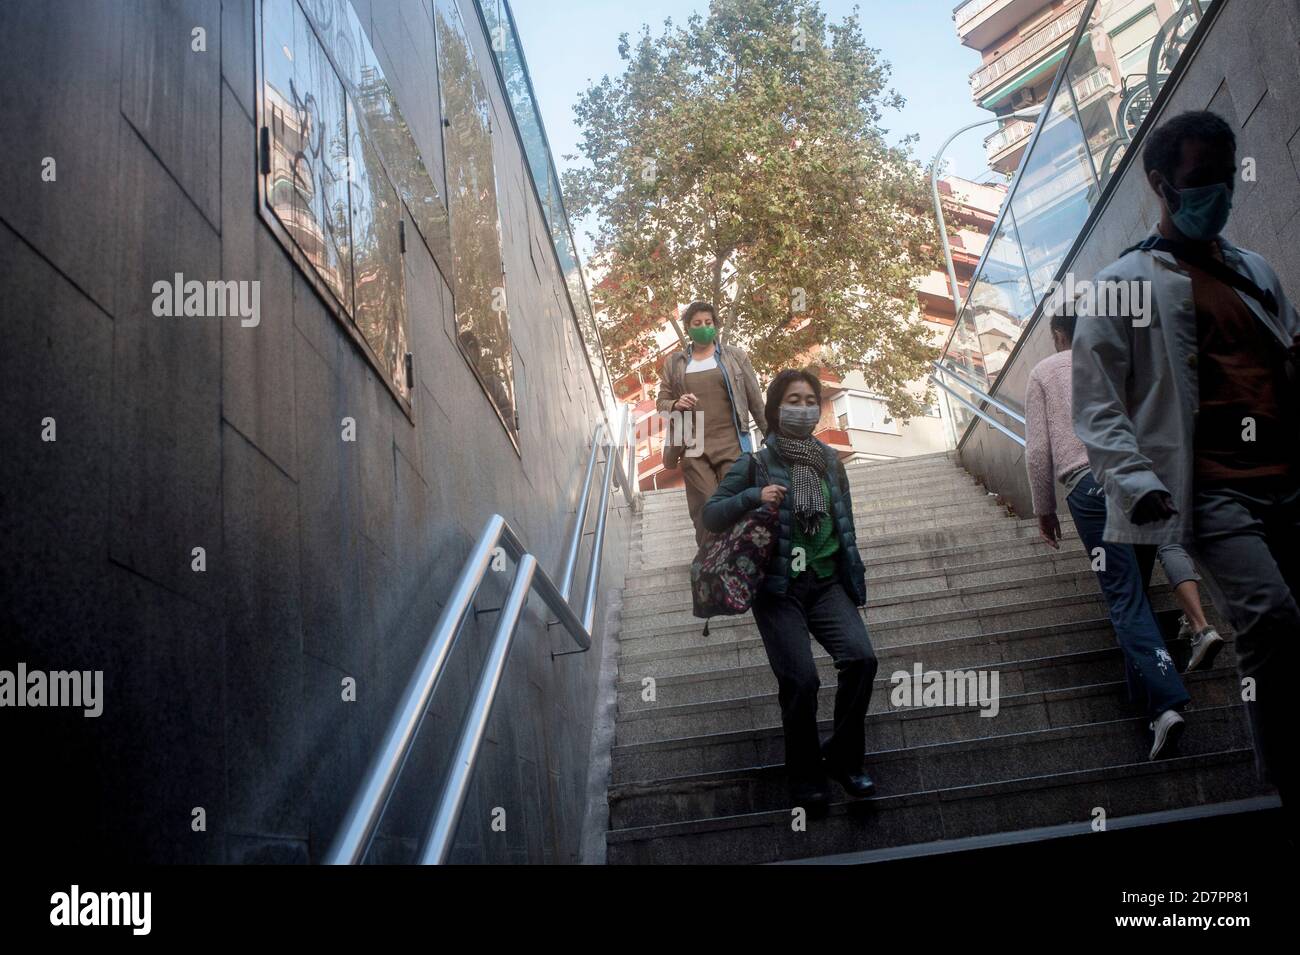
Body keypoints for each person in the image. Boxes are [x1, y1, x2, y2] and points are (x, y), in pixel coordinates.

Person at [1072, 110, 1300, 808]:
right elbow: (1098, 403)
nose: (1218, 195)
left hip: (1288, 476)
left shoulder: (1253, 270)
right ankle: (1289, 780)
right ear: (1160, 184)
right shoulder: (1122, 283)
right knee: (1269, 614)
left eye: (1226, 179)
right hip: (1211, 488)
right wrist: (1137, 483)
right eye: (1201, 181)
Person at [1027, 310, 1223, 760]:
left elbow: (1039, 450)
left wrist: (1044, 509)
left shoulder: (1044, 371)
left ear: (1059, 335)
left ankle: (1167, 704)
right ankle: (1149, 702)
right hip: (1140, 479)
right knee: (1134, 588)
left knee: (1124, 597)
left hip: (1090, 488)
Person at [702, 369, 876, 810]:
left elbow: (844, 524)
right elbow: (712, 514)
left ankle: (842, 756)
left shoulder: (831, 462)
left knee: (861, 658)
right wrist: (753, 497)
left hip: (827, 581)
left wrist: (853, 580)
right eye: (793, 400)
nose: (803, 407)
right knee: (801, 680)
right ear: (776, 410)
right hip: (779, 590)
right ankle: (804, 774)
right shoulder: (754, 464)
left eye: (810, 399)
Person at [655, 301, 767, 547]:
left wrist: (772, 436)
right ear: (688, 328)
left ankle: (739, 555)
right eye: (697, 324)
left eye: (708, 323)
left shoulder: (735, 356)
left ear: (715, 325)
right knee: (706, 505)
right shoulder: (674, 363)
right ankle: (709, 560)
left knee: (735, 503)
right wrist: (675, 404)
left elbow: (755, 400)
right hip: (693, 445)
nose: (704, 327)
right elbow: (661, 402)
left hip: (732, 443)